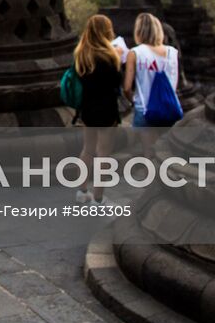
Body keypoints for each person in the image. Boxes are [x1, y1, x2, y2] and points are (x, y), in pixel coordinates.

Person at [73, 14, 122, 203]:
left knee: (87, 149)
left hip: (88, 108)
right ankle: (98, 197)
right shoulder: (110, 56)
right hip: (107, 108)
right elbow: (116, 82)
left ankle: (82, 191)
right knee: (103, 154)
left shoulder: (81, 55)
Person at [123, 12, 179, 128]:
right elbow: (174, 83)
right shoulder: (173, 52)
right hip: (168, 108)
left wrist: (134, 101)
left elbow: (127, 88)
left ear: (138, 31)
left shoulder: (135, 53)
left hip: (144, 109)